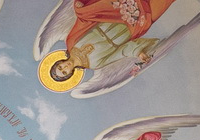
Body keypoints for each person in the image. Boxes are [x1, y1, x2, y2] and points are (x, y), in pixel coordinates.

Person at [47, 0, 176, 82]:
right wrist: (138, 52)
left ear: (60, 62)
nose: (65, 67)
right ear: (70, 74)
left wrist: (82, 7)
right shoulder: (95, 64)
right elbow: (121, 52)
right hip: (134, 26)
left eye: (60, 67)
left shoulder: (71, 42)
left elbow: (84, 21)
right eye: (64, 72)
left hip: (117, 14)